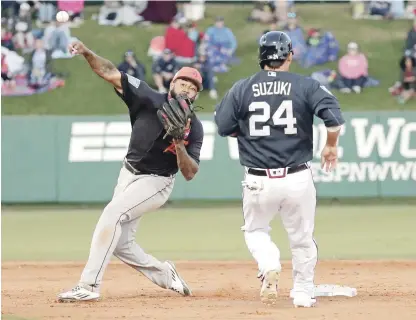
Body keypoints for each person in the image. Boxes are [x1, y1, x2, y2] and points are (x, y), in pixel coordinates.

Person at [57, 40, 205, 302]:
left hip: (156, 183)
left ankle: (88, 285)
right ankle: (165, 273)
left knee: (111, 215)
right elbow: (109, 71)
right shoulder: (147, 97)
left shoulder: (194, 127)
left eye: (193, 88)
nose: (187, 89)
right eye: (183, 83)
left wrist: (179, 142)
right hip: (127, 174)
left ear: (196, 96)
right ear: (172, 84)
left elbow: (190, 173)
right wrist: (87, 52)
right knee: (122, 244)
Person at [214, 31, 345, 308]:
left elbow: (224, 126)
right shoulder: (305, 85)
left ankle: (269, 263)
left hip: (258, 179)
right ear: (290, 55)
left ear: (261, 57)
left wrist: (251, 132)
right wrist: (331, 145)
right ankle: (302, 292)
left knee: (256, 231)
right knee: (301, 239)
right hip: (297, 176)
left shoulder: (241, 87)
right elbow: (333, 118)